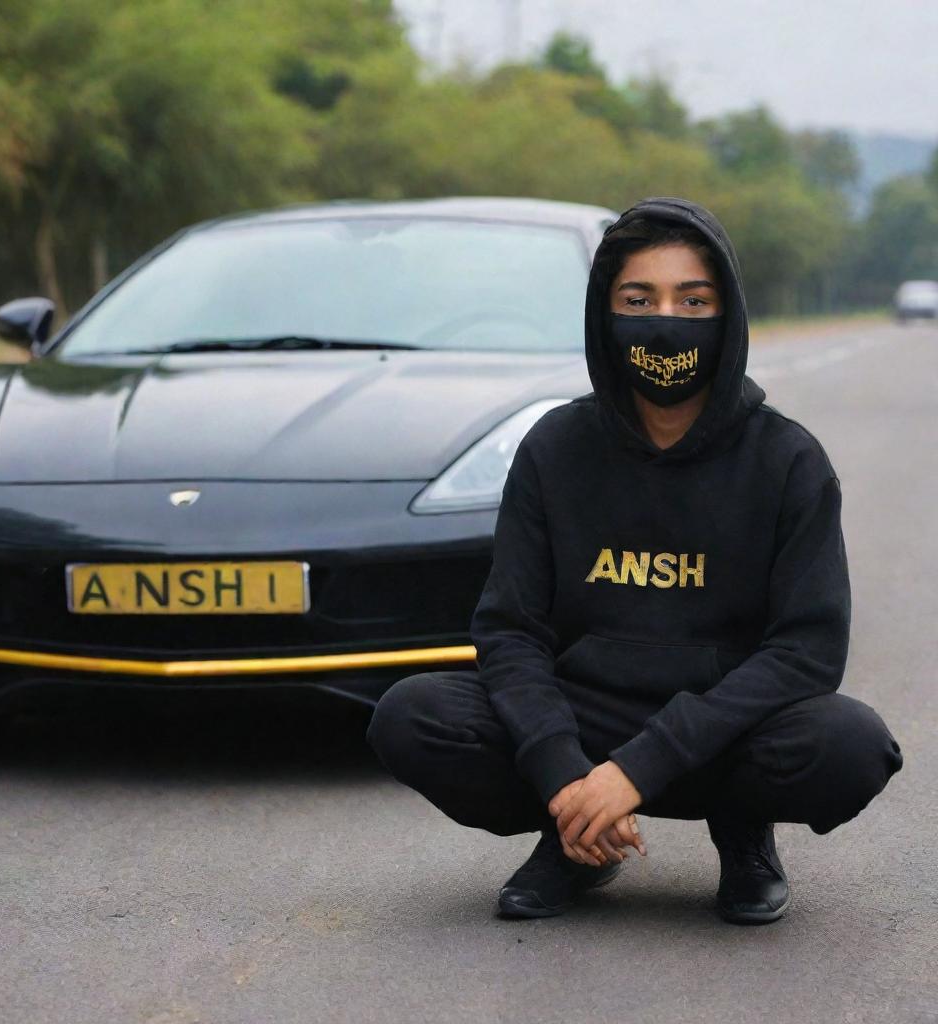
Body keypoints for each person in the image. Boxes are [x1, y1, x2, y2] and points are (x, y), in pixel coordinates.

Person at [365, 196, 904, 924]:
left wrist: (636, 770)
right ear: (605, 313)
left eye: (693, 299)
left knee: (850, 745)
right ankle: (577, 833)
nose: (665, 319)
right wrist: (565, 774)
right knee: (413, 716)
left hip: (723, 732)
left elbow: (806, 653)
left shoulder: (788, 461)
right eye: (638, 298)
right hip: (586, 714)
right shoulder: (555, 449)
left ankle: (742, 832)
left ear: (729, 314)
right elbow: (510, 630)